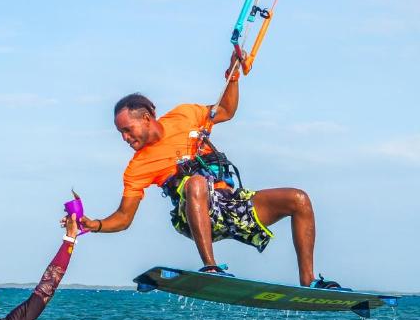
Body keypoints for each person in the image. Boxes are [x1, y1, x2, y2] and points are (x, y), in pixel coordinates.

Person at [81, 55, 340, 288]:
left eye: (128, 129)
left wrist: (233, 77)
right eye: (121, 133)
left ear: (147, 118)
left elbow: (226, 110)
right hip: (192, 216)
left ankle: (308, 280)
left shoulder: (185, 115)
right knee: (195, 182)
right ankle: (211, 267)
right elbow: (124, 218)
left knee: (299, 199)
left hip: (230, 206)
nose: (125, 138)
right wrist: (96, 225)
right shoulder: (137, 167)